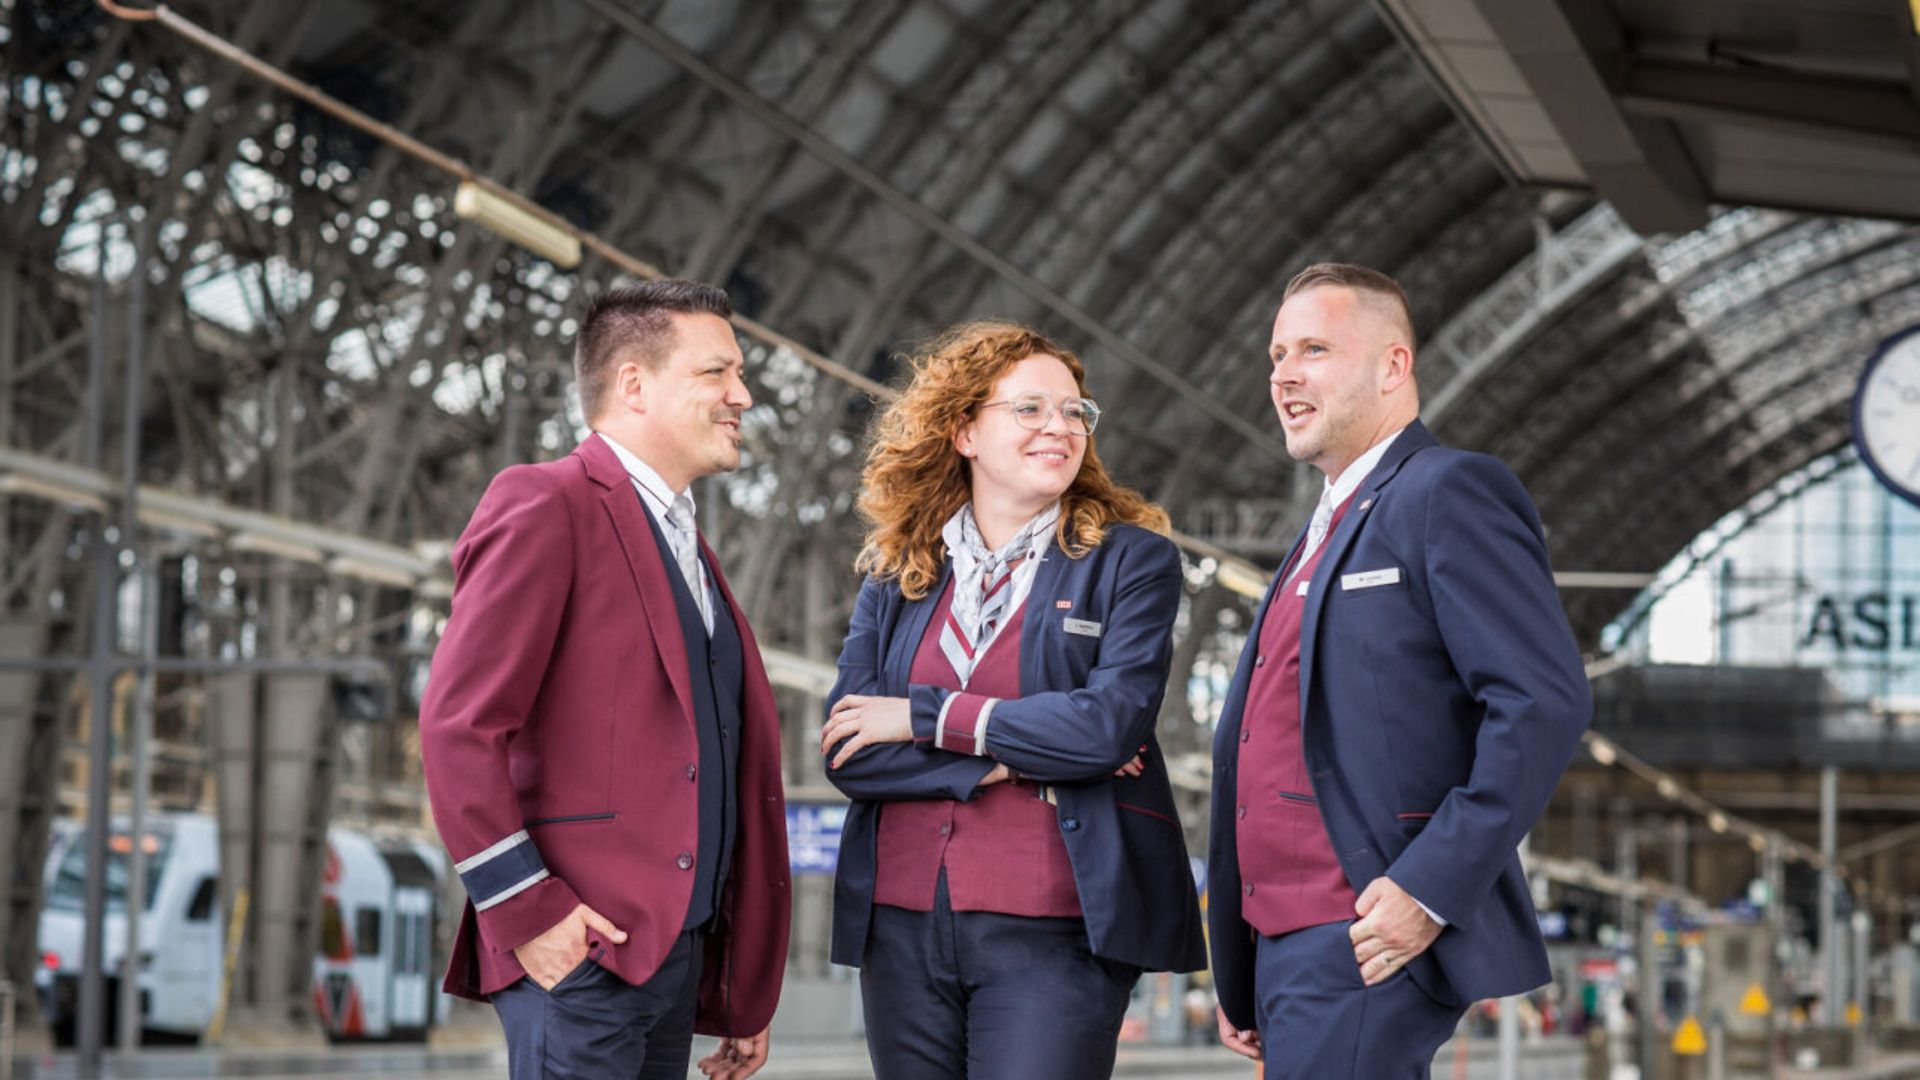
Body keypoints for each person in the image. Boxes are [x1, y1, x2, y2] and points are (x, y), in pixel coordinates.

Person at [1206, 263, 1591, 1077]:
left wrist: (1427, 889)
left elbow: (1542, 701)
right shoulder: (1319, 531)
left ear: (1392, 367)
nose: (1283, 374)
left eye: (1313, 348)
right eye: (1277, 354)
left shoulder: (1447, 492)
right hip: (1282, 946)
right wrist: (1244, 970)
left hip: (1365, 932)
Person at [420, 280, 790, 1080]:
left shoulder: (691, 548)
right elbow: (460, 726)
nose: (743, 395)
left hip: (675, 958)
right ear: (633, 384)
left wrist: (732, 982)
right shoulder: (546, 502)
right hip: (578, 949)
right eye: (716, 373)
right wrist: (526, 912)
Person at [819, 321, 1207, 1079]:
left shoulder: (1130, 561)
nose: (1059, 428)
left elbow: (1105, 729)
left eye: (1074, 412)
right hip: (899, 927)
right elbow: (848, 751)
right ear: (964, 429)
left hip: (1055, 928)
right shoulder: (898, 574)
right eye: (1029, 409)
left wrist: (923, 716)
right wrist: (1008, 762)